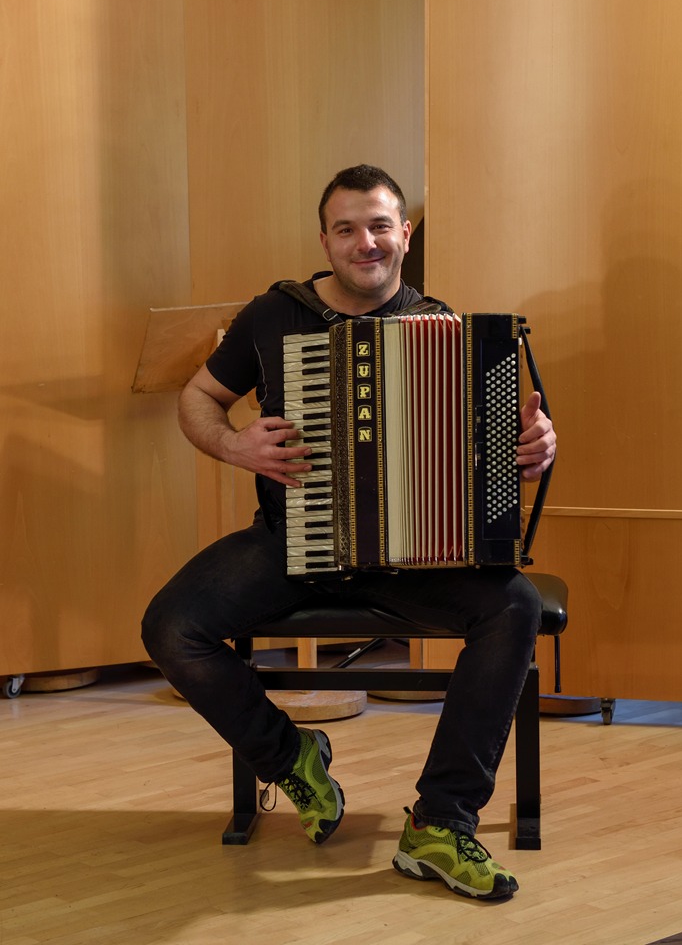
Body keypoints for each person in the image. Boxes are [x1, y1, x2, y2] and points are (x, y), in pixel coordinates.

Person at [142, 164, 556, 902]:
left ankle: (440, 822)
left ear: (403, 234)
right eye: (347, 229)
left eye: (379, 226)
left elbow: (485, 459)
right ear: (325, 241)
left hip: (411, 555)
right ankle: (290, 758)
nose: (365, 242)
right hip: (292, 539)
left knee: (513, 605)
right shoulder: (274, 315)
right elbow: (199, 396)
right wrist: (235, 444)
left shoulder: (441, 328)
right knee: (171, 627)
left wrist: (530, 451)